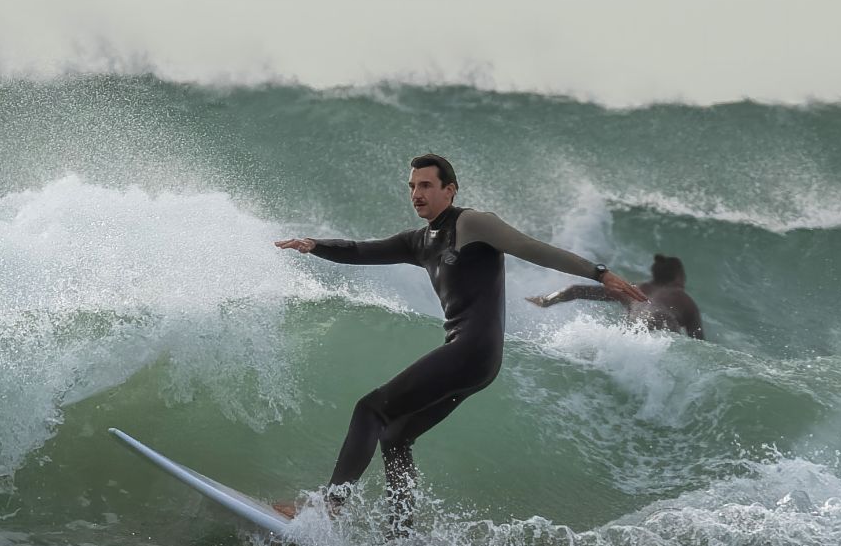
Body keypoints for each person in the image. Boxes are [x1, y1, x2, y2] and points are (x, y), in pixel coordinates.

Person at [273, 153, 646, 516]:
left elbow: (531, 248)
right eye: (412, 186)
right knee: (395, 436)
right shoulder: (419, 242)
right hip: (474, 358)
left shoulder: (471, 224)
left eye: (426, 185)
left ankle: (331, 505)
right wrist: (316, 246)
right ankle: (402, 536)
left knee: (370, 410)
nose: (417, 193)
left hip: (473, 350)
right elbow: (360, 251)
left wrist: (599, 273)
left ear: (450, 189)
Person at [527, 253, 704, 339]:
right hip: (665, 325)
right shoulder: (684, 300)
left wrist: (545, 301)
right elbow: (699, 345)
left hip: (636, 327)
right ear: (679, 277)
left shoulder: (632, 289)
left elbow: (575, 290)